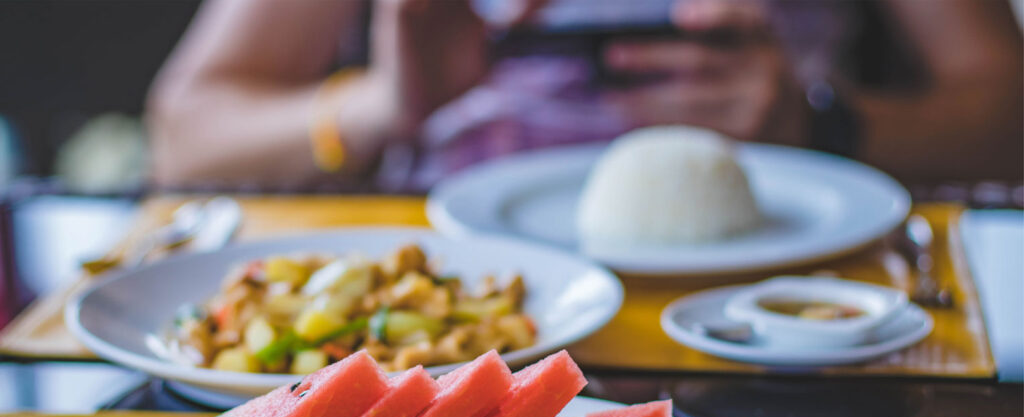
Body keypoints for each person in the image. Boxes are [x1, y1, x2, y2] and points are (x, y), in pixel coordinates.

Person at [147, 0, 1023, 192]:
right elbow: (185, 134)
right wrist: (382, 104)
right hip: (471, 308)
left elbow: (1008, 119)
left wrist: (821, 122)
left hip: (774, 296)